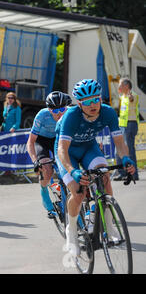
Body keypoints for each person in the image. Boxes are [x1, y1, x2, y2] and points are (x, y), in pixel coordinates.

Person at [56, 79, 136, 257]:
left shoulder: (108, 112)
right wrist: (73, 171)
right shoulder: (71, 115)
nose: (93, 105)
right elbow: (62, 149)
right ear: (79, 104)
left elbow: (119, 142)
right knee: (78, 193)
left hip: (88, 147)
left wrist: (126, 158)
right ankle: (71, 230)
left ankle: (110, 226)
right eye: (87, 102)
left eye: (96, 99)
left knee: (104, 175)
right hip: (68, 152)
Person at [27, 91, 72, 219]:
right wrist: (35, 161)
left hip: (58, 138)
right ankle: (44, 193)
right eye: (54, 110)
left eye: (62, 109)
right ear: (49, 109)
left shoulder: (69, 113)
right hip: (42, 140)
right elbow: (31, 141)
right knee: (46, 169)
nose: (59, 114)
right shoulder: (42, 115)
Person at [114, 78, 140, 181]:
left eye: (120, 85)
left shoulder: (133, 95)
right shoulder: (122, 97)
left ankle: (134, 174)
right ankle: (121, 173)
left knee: (129, 149)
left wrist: (130, 97)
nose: (119, 87)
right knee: (118, 149)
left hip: (130, 124)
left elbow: (132, 99)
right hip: (122, 125)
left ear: (126, 86)